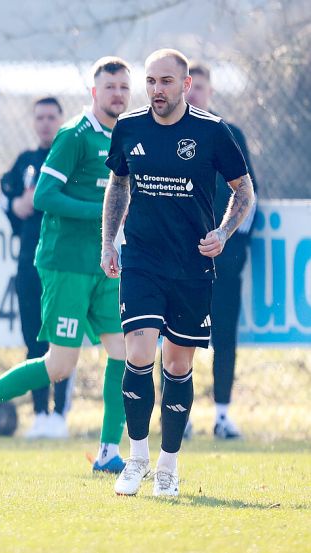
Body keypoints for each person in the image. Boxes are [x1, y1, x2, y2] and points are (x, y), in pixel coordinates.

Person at [0, 57, 133, 474]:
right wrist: (102, 213)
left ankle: (108, 452)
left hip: (106, 263)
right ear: (94, 92)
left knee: (125, 353)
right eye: (109, 87)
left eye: (123, 87)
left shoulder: (127, 134)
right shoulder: (74, 135)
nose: (117, 94)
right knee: (59, 365)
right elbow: (44, 196)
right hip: (65, 263)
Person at [101, 49, 254, 497]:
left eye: (165, 82)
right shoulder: (128, 128)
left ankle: (168, 465)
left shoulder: (211, 132)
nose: (156, 90)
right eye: (150, 81)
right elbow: (119, 184)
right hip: (142, 260)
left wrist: (224, 232)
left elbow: (243, 191)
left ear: (185, 85)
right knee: (138, 349)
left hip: (191, 265)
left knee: (178, 362)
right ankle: (137, 458)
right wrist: (109, 241)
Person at [184, 61, 258, 440]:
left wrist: (226, 237)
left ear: (210, 92)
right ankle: (179, 416)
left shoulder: (228, 134)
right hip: (181, 256)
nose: (193, 93)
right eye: (188, 87)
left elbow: (248, 194)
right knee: (177, 336)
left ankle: (223, 416)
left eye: (200, 87)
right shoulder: (169, 134)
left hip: (224, 255)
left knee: (224, 333)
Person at [0, 96, 73, 439]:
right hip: (29, 264)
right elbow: (7, 198)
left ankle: (60, 413)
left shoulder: (71, 156)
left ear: (61, 119)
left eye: (51, 117)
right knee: (33, 340)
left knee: (62, 338)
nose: (45, 123)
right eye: (40, 117)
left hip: (62, 265)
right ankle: (40, 413)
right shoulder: (25, 161)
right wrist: (15, 204)